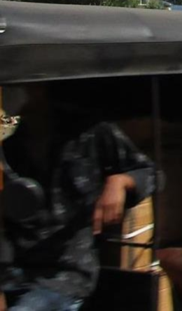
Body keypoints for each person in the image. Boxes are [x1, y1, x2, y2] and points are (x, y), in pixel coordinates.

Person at [1, 84, 155, 311]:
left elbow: (150, 173)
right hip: (15, 271)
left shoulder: (92, 131)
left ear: (38, 89)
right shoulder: (11, 148)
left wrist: (119, 182)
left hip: (64, 276)